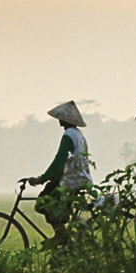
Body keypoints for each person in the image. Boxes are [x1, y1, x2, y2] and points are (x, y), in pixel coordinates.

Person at [27, 100, 92, 245]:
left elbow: (60, 160)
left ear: (64, 120)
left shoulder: (69, 134)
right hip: (81, 178)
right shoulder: (78, 134)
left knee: (44, 201)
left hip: (72, 180)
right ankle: (64, 238)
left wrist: (41, 179)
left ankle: (61, 235)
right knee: (52, 191)